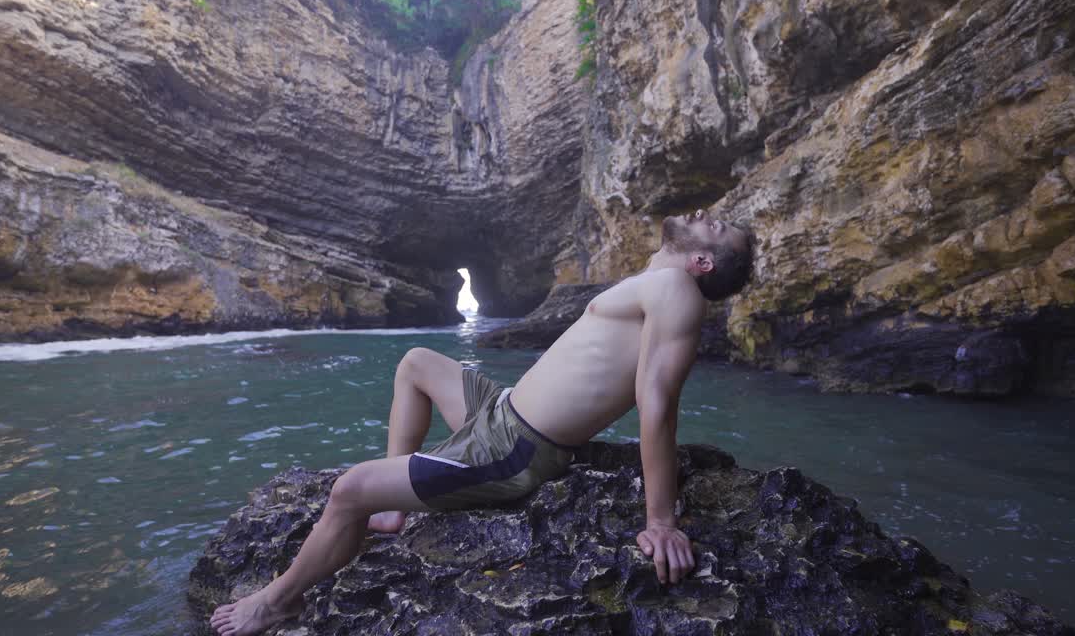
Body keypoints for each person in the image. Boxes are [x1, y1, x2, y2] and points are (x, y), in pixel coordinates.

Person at [209, 209, 756, 636]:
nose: (707, 214)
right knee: (417, 362)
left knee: (349, 489)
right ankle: (398, 510)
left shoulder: (676, 292)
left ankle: (278, 601)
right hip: (501, 408)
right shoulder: (656, 282)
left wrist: (660, 521)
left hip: (513, 449)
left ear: (702, 263)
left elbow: (657, 403)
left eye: (717, 227)